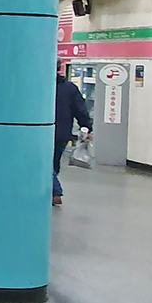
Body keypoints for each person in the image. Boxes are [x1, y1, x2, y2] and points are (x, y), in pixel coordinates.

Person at [53, 71, 93, 206]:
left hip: (38, 132)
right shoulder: (69, 88)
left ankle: (55, 191)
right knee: (54, 163)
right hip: (62, 132)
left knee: (45, 164)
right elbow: (80, 110)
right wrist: (86, 128)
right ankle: (52, 190)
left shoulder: (36, 85)